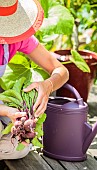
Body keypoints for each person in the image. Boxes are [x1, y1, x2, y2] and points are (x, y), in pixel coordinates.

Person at [0, 0, 69, 160]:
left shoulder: (15, 37)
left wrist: (48, 85)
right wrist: (7, 112)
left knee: (19, 149)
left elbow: (61, 71)